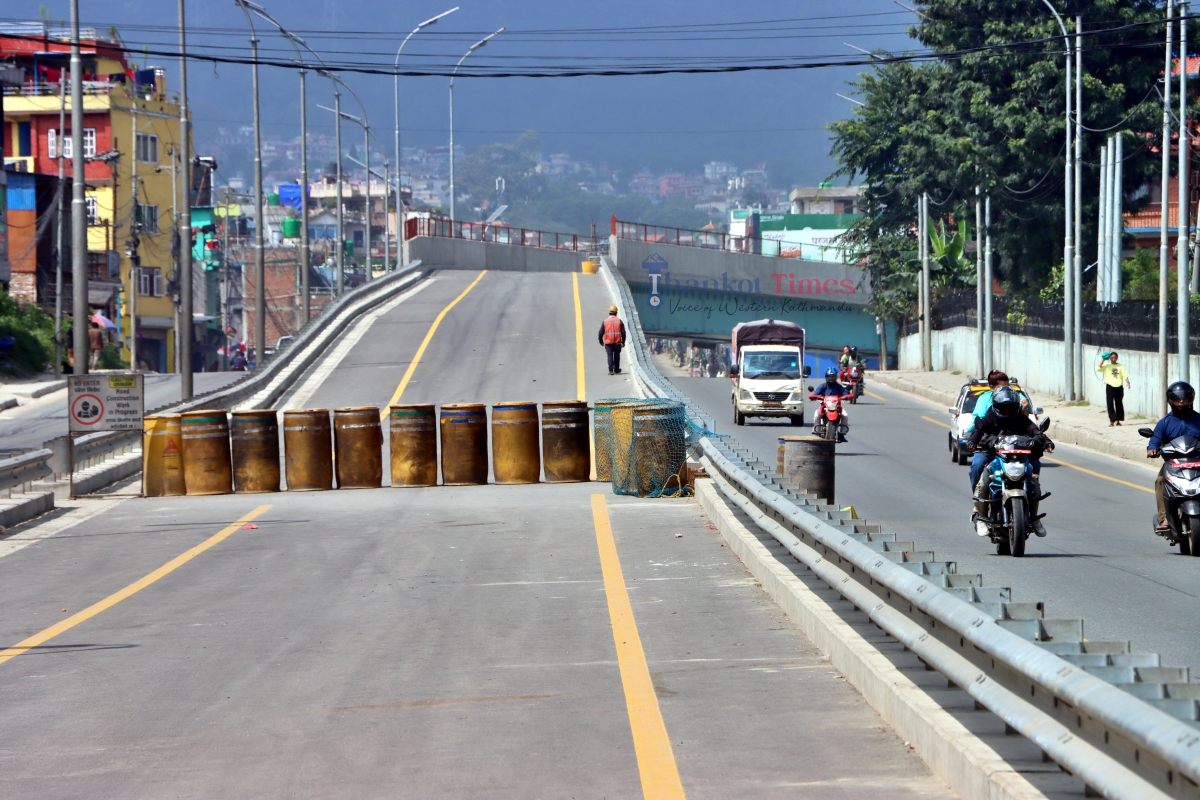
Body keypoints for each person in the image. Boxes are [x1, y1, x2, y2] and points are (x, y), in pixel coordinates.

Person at [967, 385, 1054, 537]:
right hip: (994, 455)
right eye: (1003, 407)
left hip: (1018, 456)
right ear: (996, 406)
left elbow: (1035, 431)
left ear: (1016, 406)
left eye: (1010, 407)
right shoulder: (989, 418)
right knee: (977, 466)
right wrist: (972, 442)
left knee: (1034, 476)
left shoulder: (1022, 419)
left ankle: (1033, 518)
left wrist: (1046, 442)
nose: (1006, 411)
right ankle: (981, 515)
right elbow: (977, 431)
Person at [1146, 381, 1200, 532]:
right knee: (1161, 481)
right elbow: (1155, 439)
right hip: (1173, 462)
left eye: (1185, 398)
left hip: (1197, 460)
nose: (1181, 401)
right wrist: (1152, 449)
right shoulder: (1165, 422)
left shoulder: (1198, 420)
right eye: (1177, 398)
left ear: (1191, 399)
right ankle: (1164, 517)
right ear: (1171, 400)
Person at [809, 368, 851, 442]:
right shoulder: (823, 386)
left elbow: (845, 393)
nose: (831, 378)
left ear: (835, 377)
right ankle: (817, 432)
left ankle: (842, 434)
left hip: (837, 407)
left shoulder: (838, 386)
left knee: (845, 415)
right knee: (816, 415)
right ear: (826, 377)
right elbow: (815, 394)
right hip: (824, 407)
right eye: (829, 376)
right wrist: (814, 396)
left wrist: (847, 396)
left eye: (833, 376)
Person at [1097, 351, 1131, 426]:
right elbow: (1098, 368)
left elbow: (1124, 375)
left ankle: (1118, 420)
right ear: (1110, 358)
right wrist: (1103, 360)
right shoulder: (1106, 365)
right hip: (1110, 386)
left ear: (1117, 358)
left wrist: (1128, 382)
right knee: (1110, 404)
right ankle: (1112, 420)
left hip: (1119, 387)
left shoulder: (1120, 366)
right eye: (1112, 358)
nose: (1113, 359)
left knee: (1119, 403)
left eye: (1115, 358)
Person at [598, 305, 627, 375]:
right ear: (616, 313)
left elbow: (600, 332)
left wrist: (601, 341)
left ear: (609, 313)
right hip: (617, 342)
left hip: (608, 343)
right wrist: (623, 342)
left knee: (610, 355)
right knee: (617, 356)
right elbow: (623, 332)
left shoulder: (605, 321)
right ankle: (616, 369)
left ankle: (611, 370)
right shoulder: (619, 321)